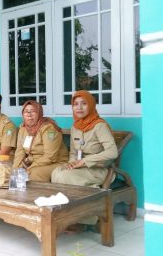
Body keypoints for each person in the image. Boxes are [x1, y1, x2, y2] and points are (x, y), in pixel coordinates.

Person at [51, 90, 118, 229]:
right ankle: (69, 215)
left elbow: (112, 152)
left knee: (66, 177)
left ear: (91, 105)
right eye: (75, 104)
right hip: (80, 168)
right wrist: (71, 163)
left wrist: (85, 162)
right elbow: (74, 152)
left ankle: (86, 219)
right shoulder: (75, 126)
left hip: (99, 170)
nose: (79, 107)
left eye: (84, 104)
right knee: (57, 172)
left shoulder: (99, 125)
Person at [13, 100, 68, 182]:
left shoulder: (48, 128)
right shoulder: (23, 128)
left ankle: (39, 194)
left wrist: (31, 167)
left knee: (33, 173)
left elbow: (50, 156)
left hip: (56, 162)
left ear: (39, 113)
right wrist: (15, 169)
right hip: (35, 162)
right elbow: (19, 152)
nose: (29, 114)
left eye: (33, 111)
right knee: (14, 172)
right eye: (26, 111)